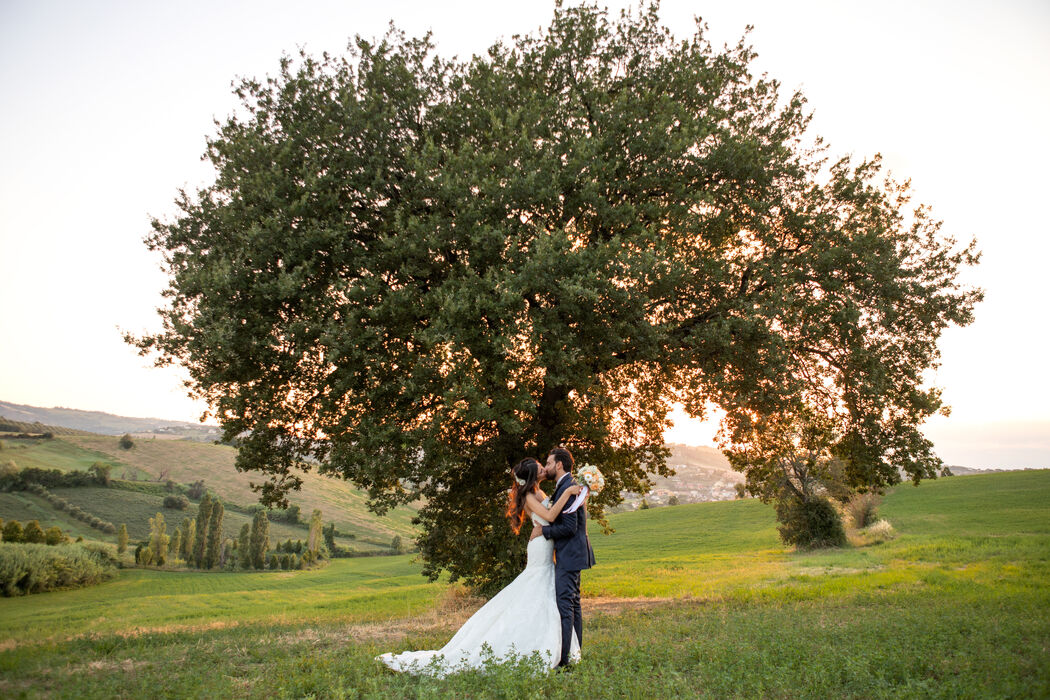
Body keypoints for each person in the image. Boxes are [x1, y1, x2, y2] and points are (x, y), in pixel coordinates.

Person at [376, 457, 583, 676]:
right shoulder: (529, 497)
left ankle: (555, 648)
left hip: (547, 543)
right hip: (540, 547)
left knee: (545, 593)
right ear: (533, 476)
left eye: (544, 467)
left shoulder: (539, 493)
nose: (544, 471)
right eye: (541, 469)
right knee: (535, 589)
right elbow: (550, 515)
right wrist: (570, 493)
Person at [530, 446, 596, 668]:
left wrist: (544, 531)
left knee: (566, 607)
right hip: (573, 552)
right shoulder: (566, 487)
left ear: (559, 464)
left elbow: (569, 527)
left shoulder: (568, 487)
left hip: (570, 553)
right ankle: (574, 655)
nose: (546, 467)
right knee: (573, 605)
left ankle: (565, 661)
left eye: (548, 463)